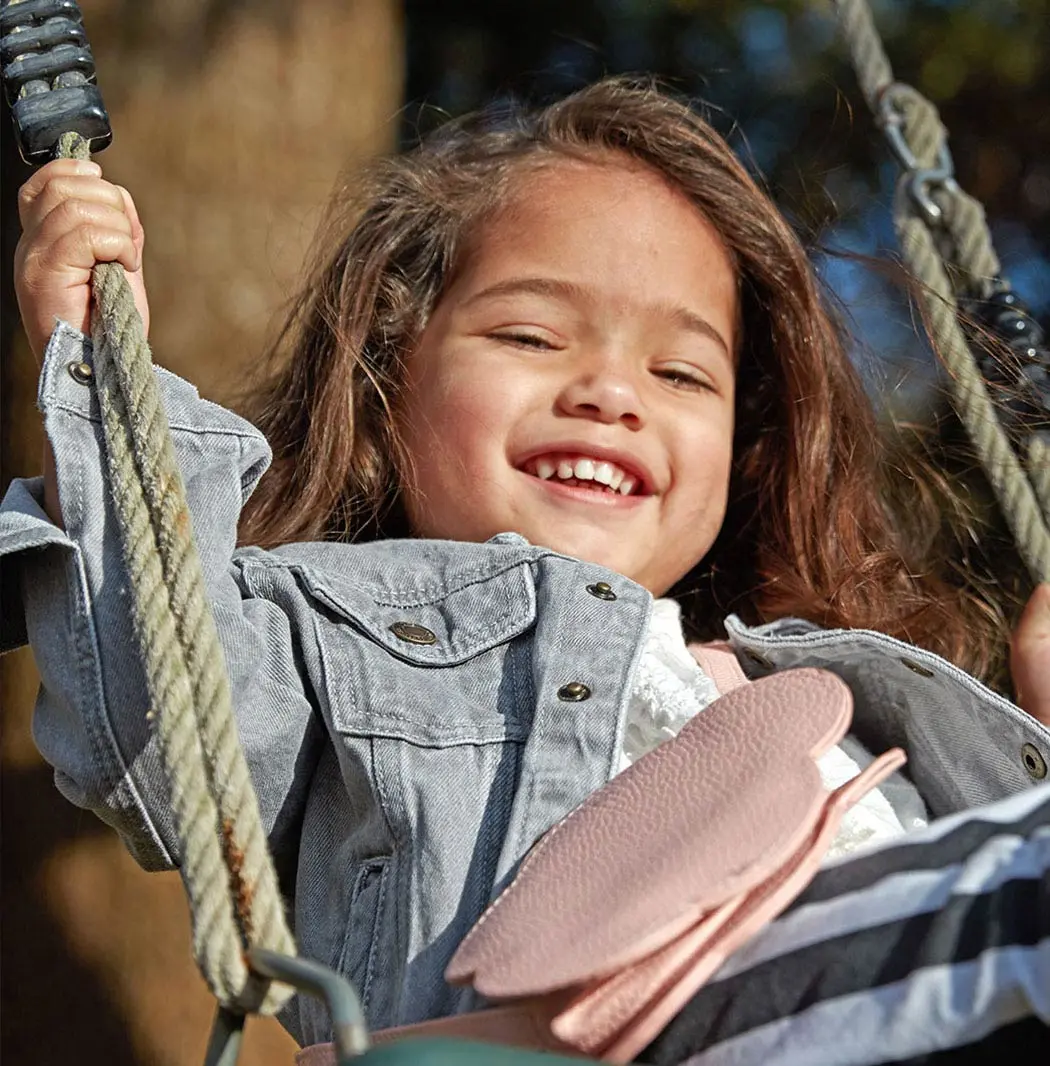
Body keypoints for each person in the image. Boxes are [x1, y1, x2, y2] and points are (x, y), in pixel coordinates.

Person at [3, 78, 1049, 1062]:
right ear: (388, 383)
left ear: (749, 446)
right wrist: (94, 366)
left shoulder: (812, 684)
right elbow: (153, 706)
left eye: (680, 371)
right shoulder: (327, 638)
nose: (610, 391)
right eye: (531, 334)